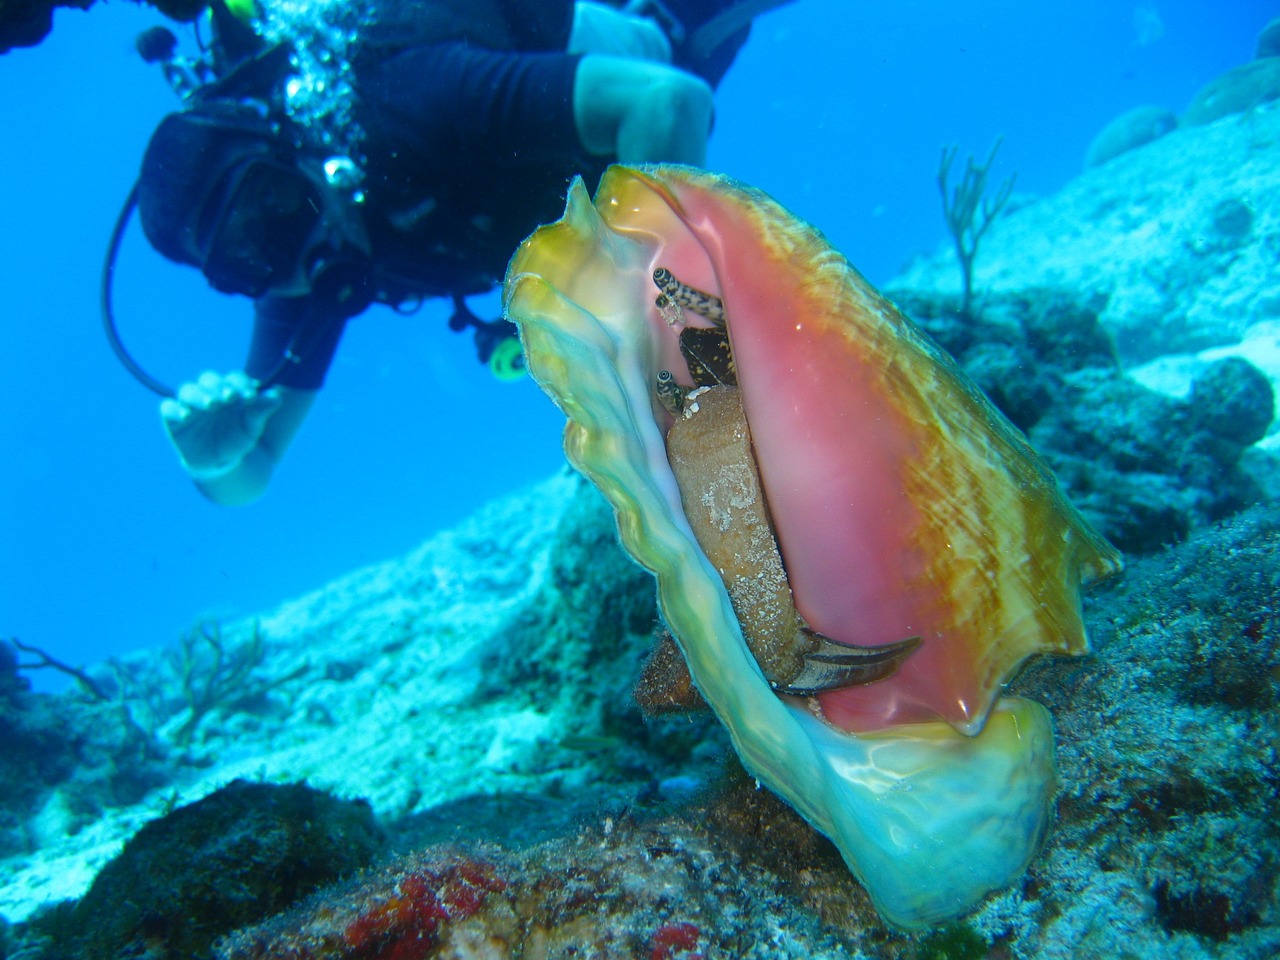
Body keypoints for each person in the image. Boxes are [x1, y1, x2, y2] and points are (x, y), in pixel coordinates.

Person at [136, 0, 773, 505]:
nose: (289, 248)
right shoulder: (304, 270)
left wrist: (674, 349)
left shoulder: (400, 99)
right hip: (554, 181)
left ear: (290, 152)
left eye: (269, 203)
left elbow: (666, 102)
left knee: (668, 44)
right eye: (247, 259)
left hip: (633, 40)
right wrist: (213, 460)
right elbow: (251, 474)